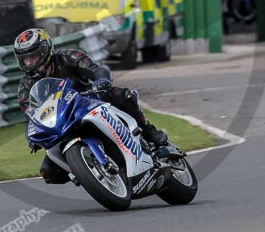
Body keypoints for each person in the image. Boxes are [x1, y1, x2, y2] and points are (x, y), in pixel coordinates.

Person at [14, 28, 168, 184]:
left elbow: (96, 70)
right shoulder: (25, 86)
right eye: (25, 59)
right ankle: (85, 173)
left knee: (123, 96)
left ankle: (149, 132)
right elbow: (29, 114)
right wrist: (30, 137)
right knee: (48, 172)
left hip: (90, 101)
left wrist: (101, 80)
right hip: (61, 121)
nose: (29, 63)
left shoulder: (68, 57)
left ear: (45, 51)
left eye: (33, 57)